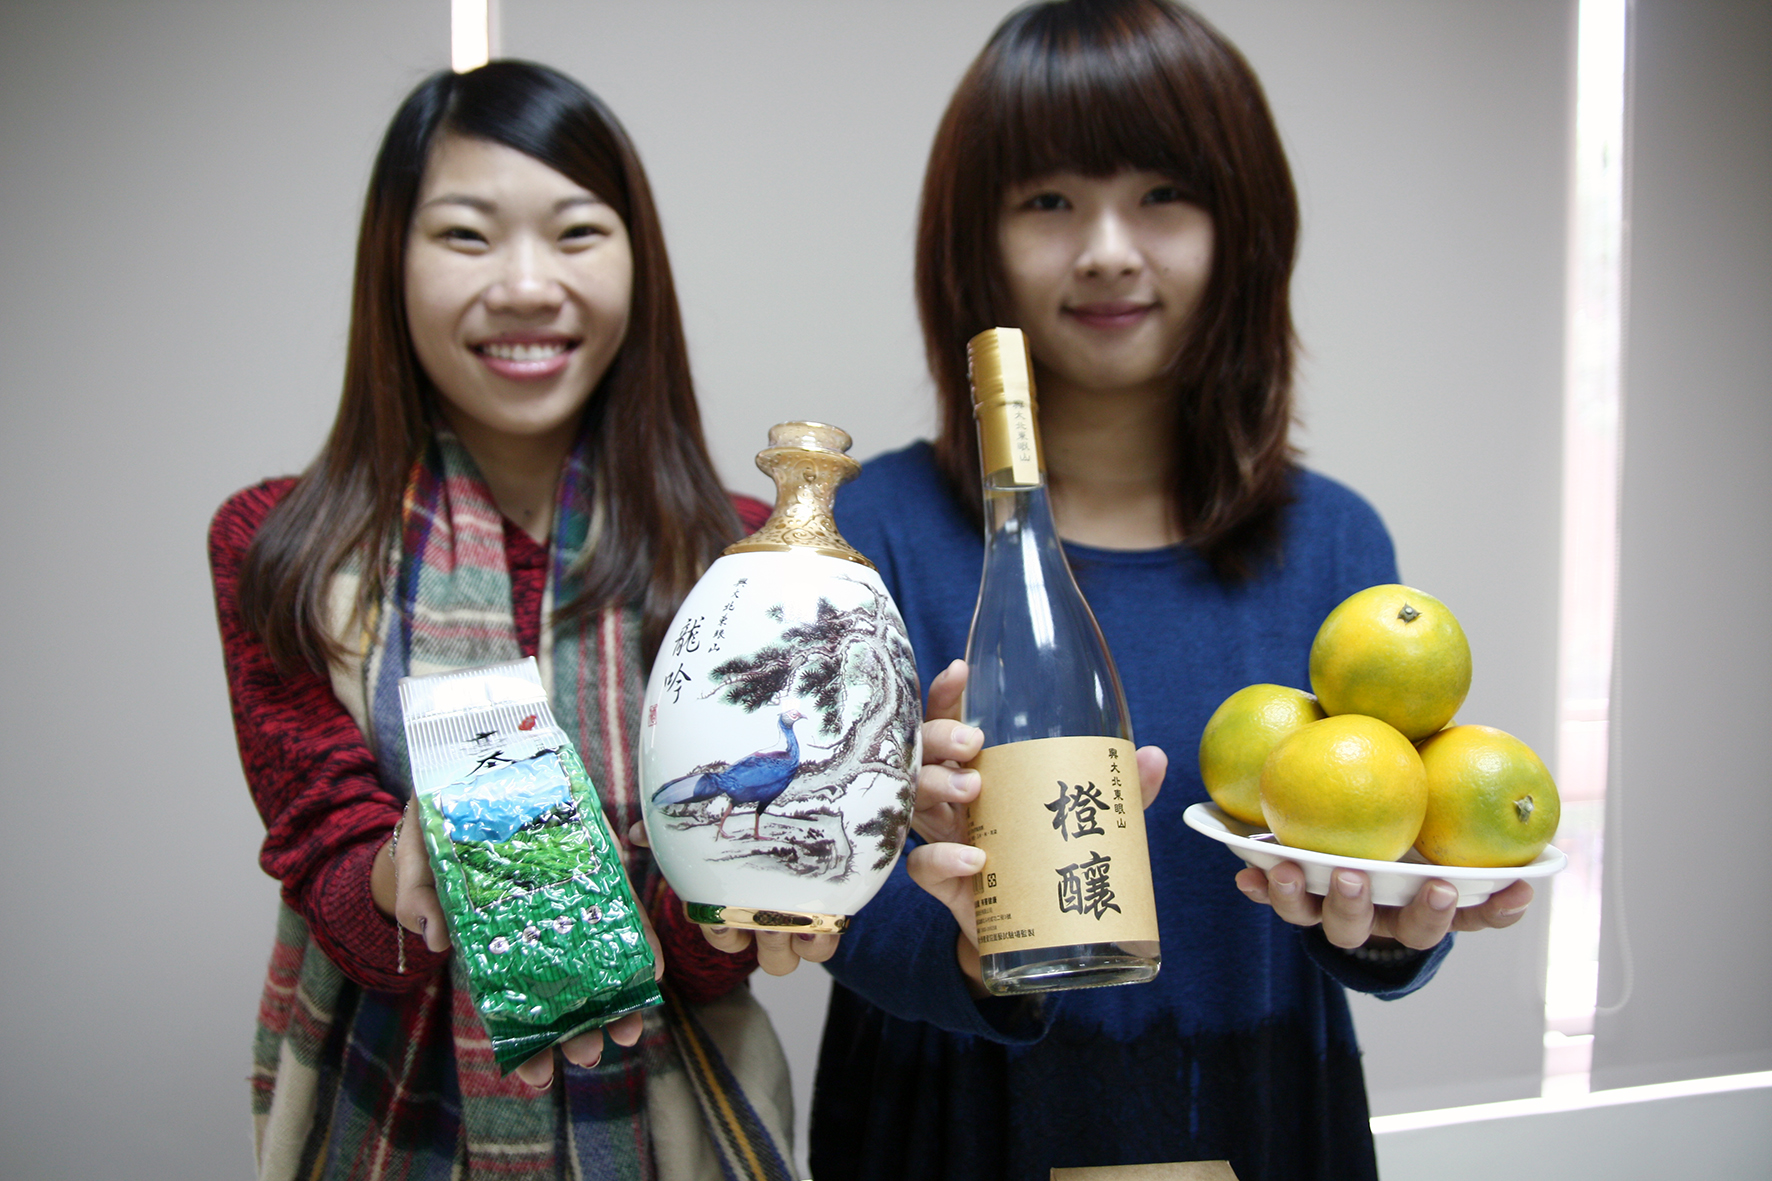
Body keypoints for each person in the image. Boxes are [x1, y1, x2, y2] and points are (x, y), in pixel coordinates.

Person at [810, 3, 1535, 1179]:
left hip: (1259, 1107)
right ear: (972, 240)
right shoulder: (869, 535)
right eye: (1047, 199)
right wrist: (964, 944)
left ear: (1241, 228)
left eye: (1162, 193)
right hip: (950, 1119)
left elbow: (1369, 859)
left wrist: (1395, 927)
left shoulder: (1331, 541)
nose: (1106, 248)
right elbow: (817, 892)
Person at [209, 60, 819, 1180]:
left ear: (638, 262)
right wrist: (406, 873)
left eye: (577, 233)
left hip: (673, 1122)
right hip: (384, 1114)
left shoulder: (740, 561)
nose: (529, 285)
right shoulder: (279, 546)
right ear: (391, 260)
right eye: (467, 235)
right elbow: (324, 851)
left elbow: (706, 955)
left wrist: (743, 905)